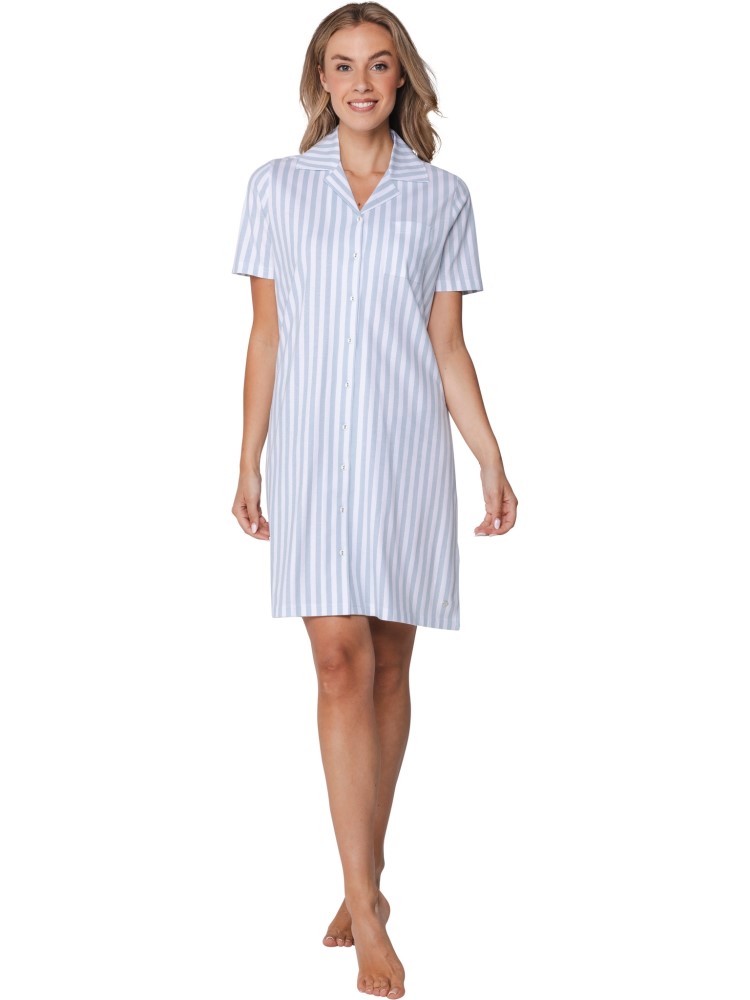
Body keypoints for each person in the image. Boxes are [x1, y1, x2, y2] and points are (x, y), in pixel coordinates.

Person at [231, 3, 518, 996]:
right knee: (339, 663)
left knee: (391, 666)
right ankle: (365, 906)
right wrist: (248, 460)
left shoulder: (442, 197)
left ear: (403, 80)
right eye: (344, 65)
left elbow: (448, 345)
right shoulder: (276, 188)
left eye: (380, 65)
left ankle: (366, 879)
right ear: (321, 80)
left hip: (404, 455)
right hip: (313, 455)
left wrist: (489, 458)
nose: (362, 82)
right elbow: (266, 334)